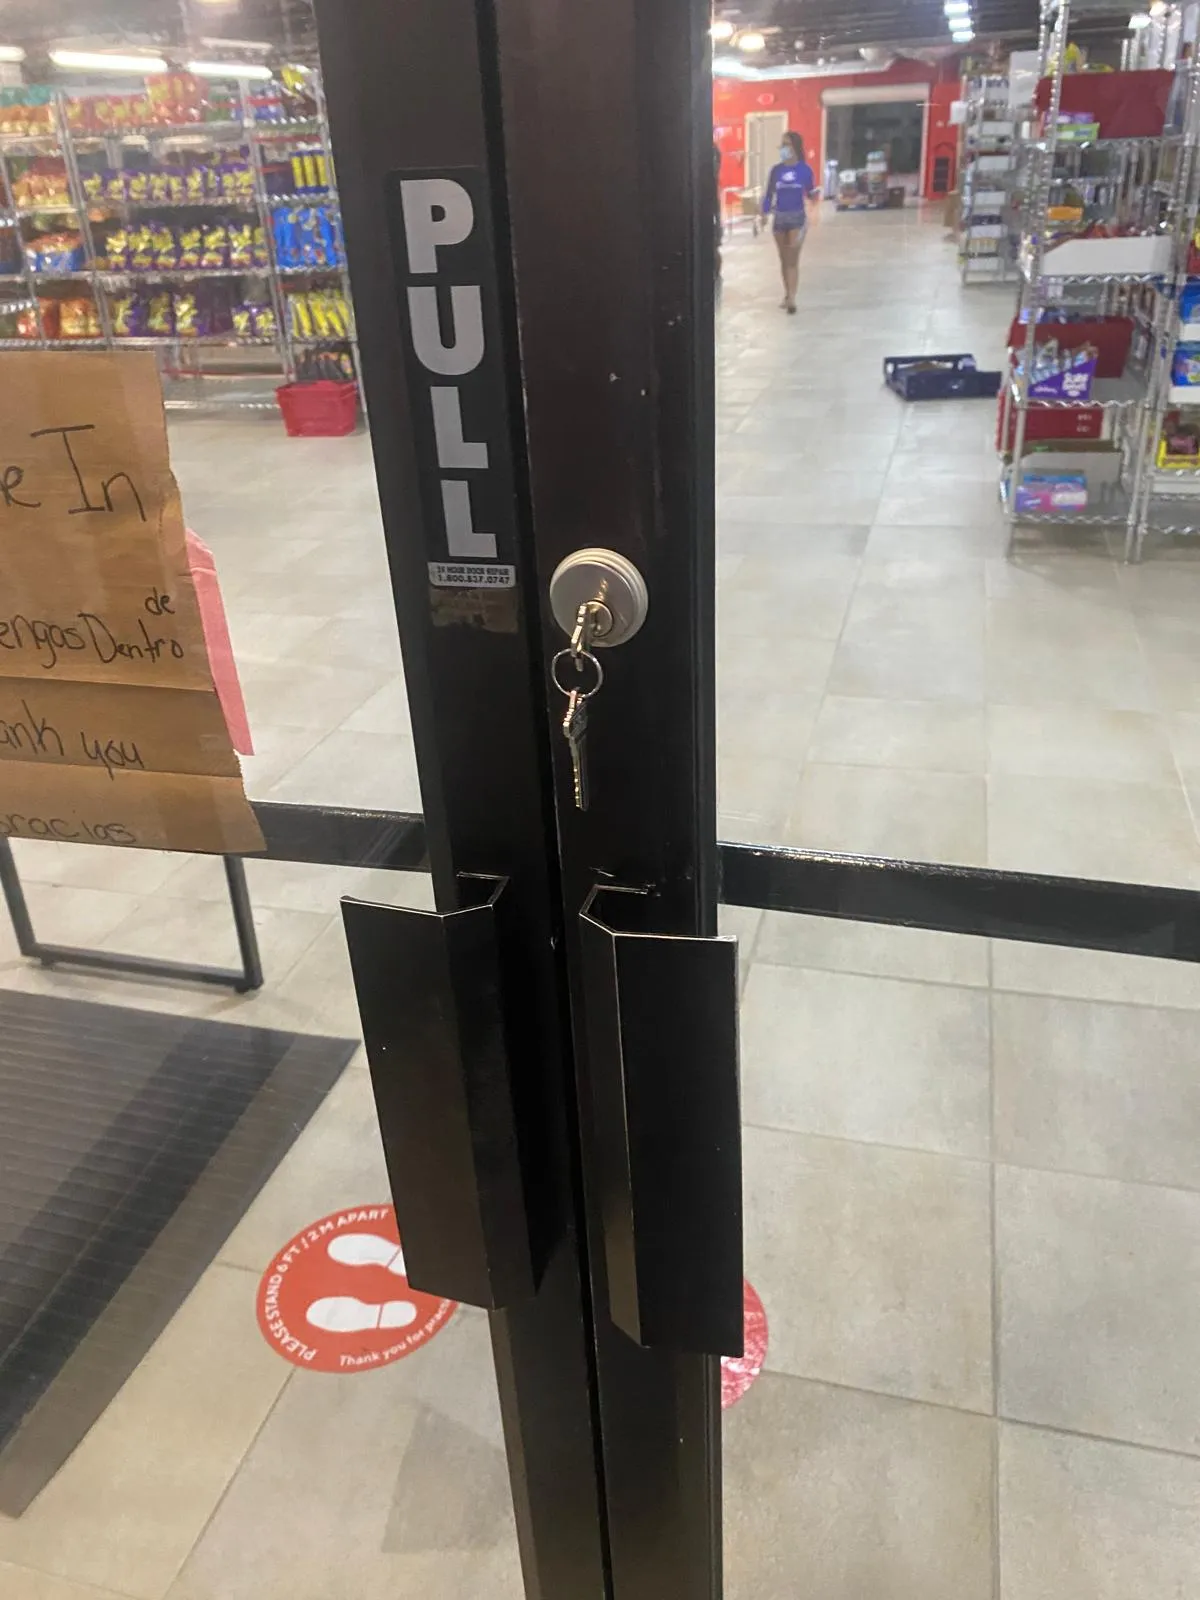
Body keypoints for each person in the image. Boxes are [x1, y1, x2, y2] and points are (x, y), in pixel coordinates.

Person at [761, 132, 815, 314]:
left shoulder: (804, 170)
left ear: (796, 147)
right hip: (780, 217)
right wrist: (764, 212)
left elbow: (810, 192)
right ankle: (787, 293)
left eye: (788, 144)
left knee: (792, 258)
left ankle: (792, 297)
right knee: (783, 259)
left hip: (797, 218)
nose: (784, 148)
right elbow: (768, 194)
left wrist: (815, 204)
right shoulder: (776, 171)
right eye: (782, 145)